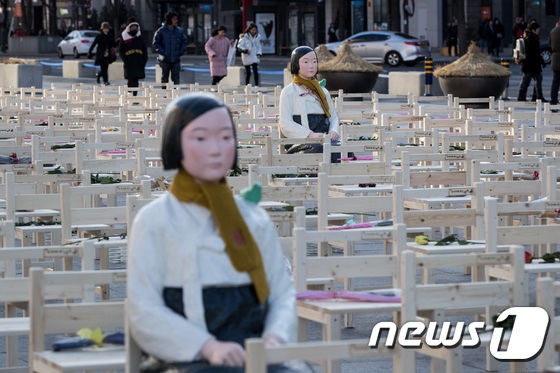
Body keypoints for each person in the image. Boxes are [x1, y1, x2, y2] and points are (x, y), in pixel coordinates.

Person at [127, 92, 298, 372]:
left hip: (254, 355)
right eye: (201, 138)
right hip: (184, 359)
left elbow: (281, 293)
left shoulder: (254, 218)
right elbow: (143, 310)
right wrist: (207, 346)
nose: (217, 149)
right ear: (175, 143)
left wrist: (275, 337)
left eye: (226, 137)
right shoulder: (154, 220)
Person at [279, 46, 340, 163]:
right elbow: (285, 123)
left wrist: (333, 131)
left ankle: (336, 180)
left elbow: (333, 117)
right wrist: (310, 135)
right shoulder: (288, 92)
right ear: (296, 64)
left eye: (314, 61)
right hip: (300, 142)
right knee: (321, 150)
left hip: (325, 139)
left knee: (344, 150)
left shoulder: (323, 91)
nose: (311, 65)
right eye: (306, 62)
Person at [153, 11, 187, 85]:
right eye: (174, 19)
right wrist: (163, 52)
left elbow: (184, 42)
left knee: (176, 79)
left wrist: (180, 52)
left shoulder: (180, 31)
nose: (176, 21)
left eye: (177, 19)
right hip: (165, 59)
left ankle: (176, 94)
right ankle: (165, 94)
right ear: (169, 20)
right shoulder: (161, 31)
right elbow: (156, 43)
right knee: (164, 78)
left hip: (176, 59)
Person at [517, 23, 547, 102]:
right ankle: (538, 97)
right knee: (537, 79)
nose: (538, 31)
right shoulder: (534, 38)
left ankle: (522, 96)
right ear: (534, 30)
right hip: (532, 64)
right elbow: (536, 53)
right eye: (538, 29)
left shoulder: (527, 36)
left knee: (526, 80)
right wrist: (542, 62)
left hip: (527, 64)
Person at [119, 21, 147, 97]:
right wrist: (125, 59)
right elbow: (121, 50)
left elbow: (144, 49)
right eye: (132, 28)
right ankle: (129, 95)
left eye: (135, 28)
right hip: (129, 62)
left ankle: (135, 96)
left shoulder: (139, 37)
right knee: (130, 80)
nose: (134, 29)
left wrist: (144, 60)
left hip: (138, 62)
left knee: (136, 80)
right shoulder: (124, 37)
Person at [550, 19, 560, 105]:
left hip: (555, 59)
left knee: (555, 81)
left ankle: (553, 101)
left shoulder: (553, 31)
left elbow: (550, 45)